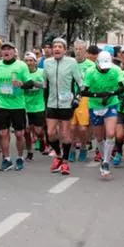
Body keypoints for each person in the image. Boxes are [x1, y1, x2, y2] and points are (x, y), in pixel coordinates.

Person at [81, 50, 124, 179]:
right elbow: (84, 92)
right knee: (99, 138)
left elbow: (123, 88)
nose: (105, 70)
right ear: (97, 63)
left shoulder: (116, 70)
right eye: (102, 67)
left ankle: (106, 162)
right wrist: (99, 95)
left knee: (111, 133)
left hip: (111, 103)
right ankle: (103, 158)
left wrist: (110, 94)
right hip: (95, 105)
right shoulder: (90, 72)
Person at [44, 37, 84, 176]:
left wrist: (77, 98)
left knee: (65, 133)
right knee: (50, 133)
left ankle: (65, 162)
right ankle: (59, 155)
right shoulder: (47, 63)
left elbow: (81, 84)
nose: (56, 49)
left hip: (67, 103)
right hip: (51, 102)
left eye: (60, 46)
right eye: (55, 46)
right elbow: (44, 84)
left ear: (65, 50)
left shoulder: (71, 63)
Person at [0, 42, 30, 172]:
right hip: (1, 104)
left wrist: (21, 84)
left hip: (17, 105)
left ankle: (19, 157)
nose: (6, 52)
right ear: (1, 53)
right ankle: (6, 159)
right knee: (3, 133)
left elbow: (29, 83)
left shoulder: (21, 65)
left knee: (19, 134)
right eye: (4, 50)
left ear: (14, 52)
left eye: (9, 49)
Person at [22, 52, 47, 162]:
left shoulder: (41, 72)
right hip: (25, 106)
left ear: (35, 62)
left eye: (31, 60)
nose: (29, 63)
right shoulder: (22, 73)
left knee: (38, 130)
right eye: (26, 61)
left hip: (38, 105)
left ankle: (41, 139)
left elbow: (45, 85)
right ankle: (29, 152)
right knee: (26, 131)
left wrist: (34, 83)